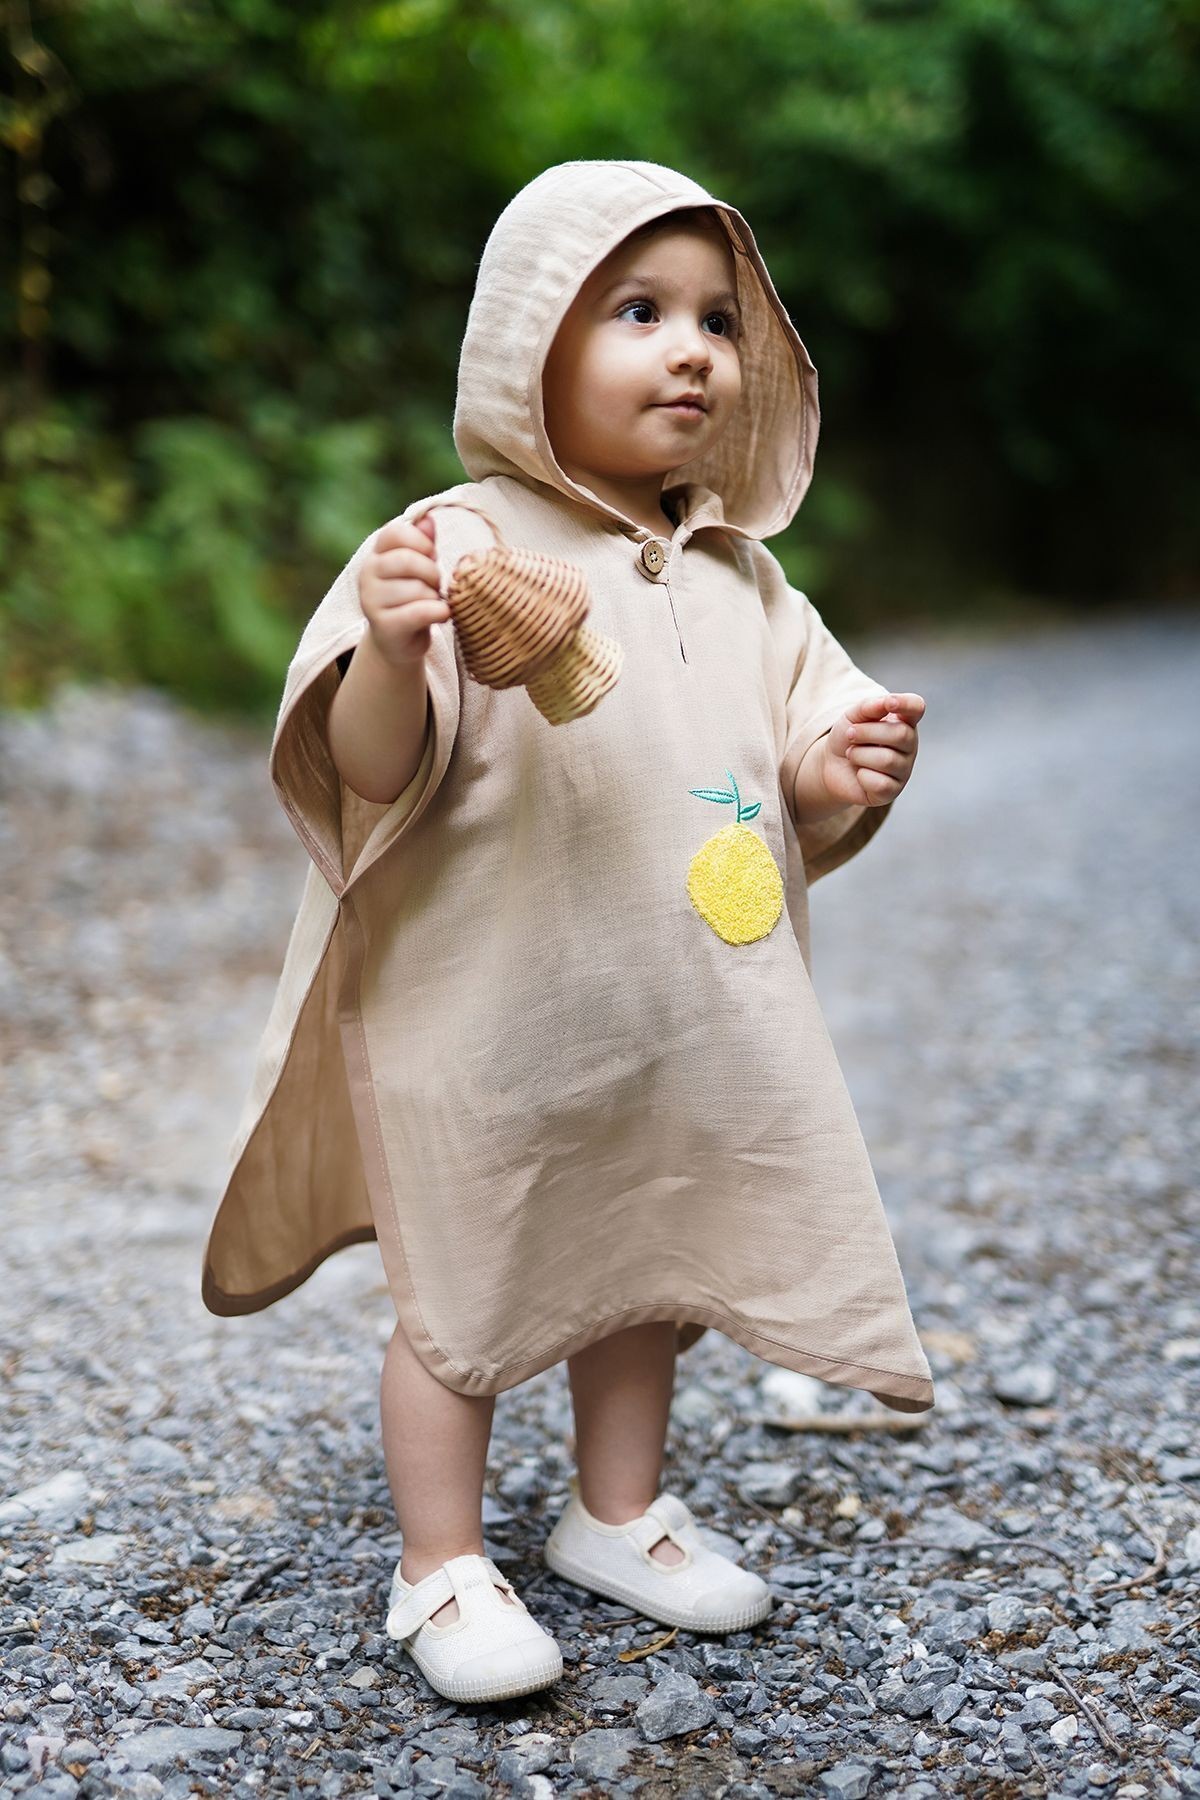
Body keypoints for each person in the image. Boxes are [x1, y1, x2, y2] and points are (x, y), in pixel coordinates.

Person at [201, 159, 935, 1707]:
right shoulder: (452, 544)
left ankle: (617, 1513)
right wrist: (396, 653)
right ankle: (441, 1563)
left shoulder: (745, 579)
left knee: (653, 1264)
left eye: (718, 320)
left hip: (682, 1022)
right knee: (460, 1295)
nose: (691, 349)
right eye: (637, 311)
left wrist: (829, 771)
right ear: (528, 344)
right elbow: (368, 772)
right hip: (492, 1022)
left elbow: (783, 764)